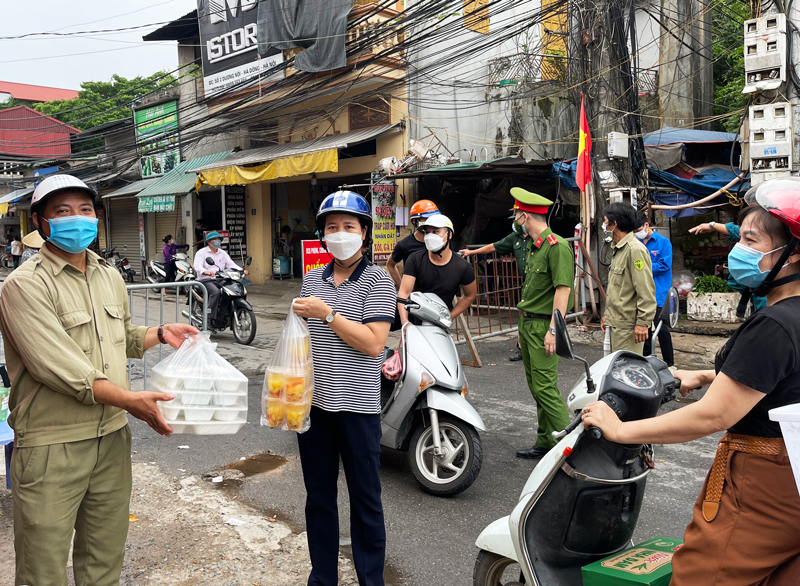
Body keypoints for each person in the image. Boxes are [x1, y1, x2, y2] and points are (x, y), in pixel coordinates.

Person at [582, 178, 800, 584]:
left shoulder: (773, 324)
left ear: (792, 253)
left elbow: (711, 416)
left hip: (762, 485)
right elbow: (782, 379)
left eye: (751, 241)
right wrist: (706, 373)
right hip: (792, 479)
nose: (738, 251)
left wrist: (620, 429)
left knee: (700, 576)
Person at [0, 174, 197, 586]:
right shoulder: (23, 286)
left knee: (104, 561)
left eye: (85, 210)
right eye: (63, 211)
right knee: (42, 570)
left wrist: (160, 333)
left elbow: (121, 336)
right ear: (40, 222)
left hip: (111, 437)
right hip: (52, 445)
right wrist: (131, 400)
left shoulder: (108, 275)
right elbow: (62, 369)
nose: (78, 219)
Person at [292, 190, 396, 586]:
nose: (340, 233)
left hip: (357, 409)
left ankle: (372, 580)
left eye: (348, 226)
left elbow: (373, 342)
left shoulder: (377, 281)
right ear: (322, 234)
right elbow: (303, 338)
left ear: (364, 233)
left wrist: (328, 313)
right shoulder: (312, 278)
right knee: (318, 500)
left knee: (366, 502)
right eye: (331, 227)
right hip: (314, 408)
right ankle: (322, 579)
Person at [510, 188, 575, 460]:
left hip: (543, 327)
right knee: (536, 385)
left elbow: (563, 291)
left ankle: (571, 446)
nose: (514, 218)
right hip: (529, 325)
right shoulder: (534, 248)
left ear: (525, 216)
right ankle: (546, 441)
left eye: (516, 214)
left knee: (545, 387)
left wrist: (552, 330)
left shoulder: (557, 246)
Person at [460, 218, 530, 361]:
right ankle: (522, 350)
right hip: (527, 284)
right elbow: (493, 246)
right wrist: (472, 252)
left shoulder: (539, 237)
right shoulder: (514, 238)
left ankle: (547, 346)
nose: (515, 221)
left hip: (539, 282)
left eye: (517, 216)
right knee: (524, 317)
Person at [397, 214, 477, 325]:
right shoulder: (415, 260)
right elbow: (404, 293)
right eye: (427, 232)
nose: (430, 236)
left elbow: (470, 295)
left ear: (449, 235)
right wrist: (405, 322)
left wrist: (449, 317)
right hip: (414, 323)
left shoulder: (462, 267)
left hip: (440, 326)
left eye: (435, 232)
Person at [600, 202, 657, 354]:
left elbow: (645, 289)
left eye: (605, 221)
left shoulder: (635, 250)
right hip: (617, 324)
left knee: (626, 373)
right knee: (614, 371)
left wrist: (643, 323)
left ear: (615, 224)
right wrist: (608, 316)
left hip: (628, 328)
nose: (604, 225)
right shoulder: (618, 248)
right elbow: (618, 289)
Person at [690, 211, 768, 312]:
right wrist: (712, 225)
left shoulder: (772, 302)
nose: (740, 248)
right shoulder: (759, 290)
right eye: (740, 239)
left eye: (749, 240)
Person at [634, 212, 675, 367]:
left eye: (638, 229)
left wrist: (643, 268)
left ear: (647, 225)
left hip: (659, 294)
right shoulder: (636, 244)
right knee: (644, 330)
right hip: (641, 295)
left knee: (662, 330)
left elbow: (665, 265)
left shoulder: (663, 243)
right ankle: (646, 362)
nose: (637, 233)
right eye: (634, 231)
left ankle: (670, 364)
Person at [193, 231, 247, 328]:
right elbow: (197, 266)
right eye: (215, 239)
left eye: (219, 239)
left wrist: (241, 270)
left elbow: (230, 264)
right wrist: (206, 271)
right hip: (206, 279)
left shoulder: (222, 253)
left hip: (220, 278)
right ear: (209, 242)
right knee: (216, 292)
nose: (217, 241)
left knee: (233, 289)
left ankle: (225, 312)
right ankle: (209, 318)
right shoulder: (201, 253)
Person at [385, 199, 439, 287]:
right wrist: (401, 286)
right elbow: (390, 264)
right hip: (415, 296)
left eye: (433, 218)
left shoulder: (441, 242)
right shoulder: (404, 245)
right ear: (415, 221)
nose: (431, 222)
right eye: (427, 218)